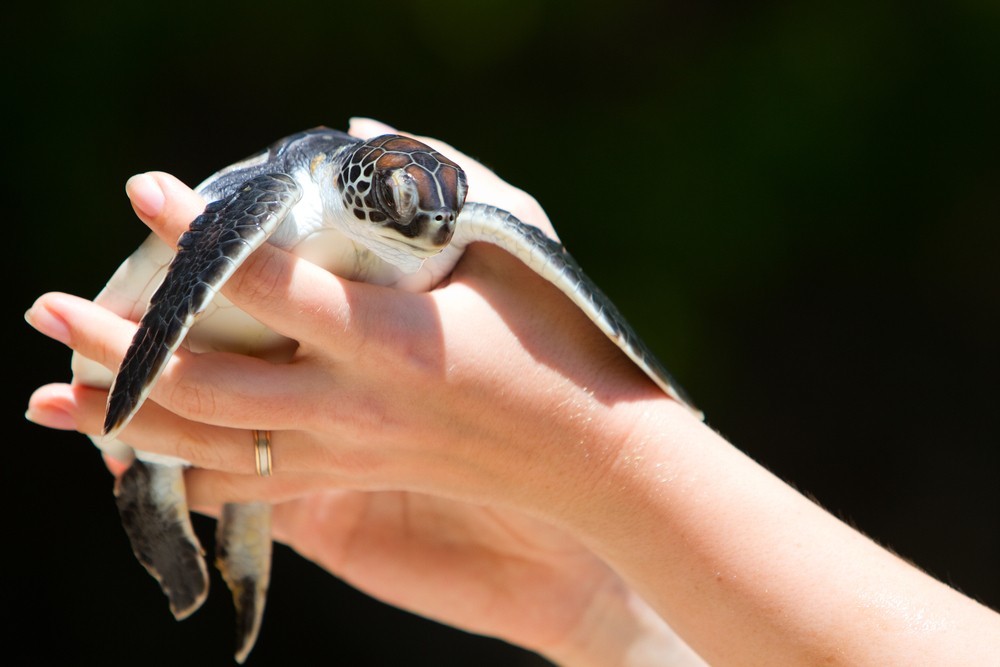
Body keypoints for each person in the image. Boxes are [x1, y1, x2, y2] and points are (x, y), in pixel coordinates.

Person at [24, 118, 1000, 666]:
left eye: (435, 215)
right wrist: (591, 593)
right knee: (173, 436)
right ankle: (155, 467)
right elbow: (213, 247)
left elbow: (507, 255)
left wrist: (603, 471)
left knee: (208, 458)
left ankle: (164, 469)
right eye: (404, 208)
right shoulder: (302, 183)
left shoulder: (443, 211)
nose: (423, 224)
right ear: (355, 181)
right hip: (196, 314)